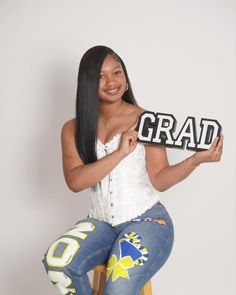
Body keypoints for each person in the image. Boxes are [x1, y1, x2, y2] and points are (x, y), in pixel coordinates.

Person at [42, 45, 224, 295]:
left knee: (118, 287)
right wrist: (119, 154)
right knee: (57, 263)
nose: (111, 82)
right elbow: (75, 181)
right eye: (100, 76)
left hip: (147, 220)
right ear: (87, 84)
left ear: (125, 78)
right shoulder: (72, 129)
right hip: (100, 223)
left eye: (117, 73)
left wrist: (195, 160)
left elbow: (160, 179)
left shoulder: (147, 120)